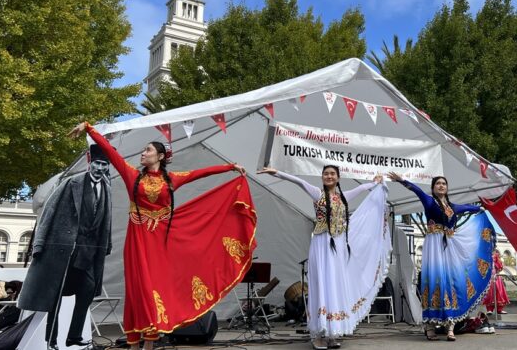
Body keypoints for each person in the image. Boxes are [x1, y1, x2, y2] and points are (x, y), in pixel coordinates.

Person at [69, 122, 254, 350]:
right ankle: (136, 344)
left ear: (160, 156)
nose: (143, 153)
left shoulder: (171, 179)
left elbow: (199, 173)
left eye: (147, 150)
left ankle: (148, 344)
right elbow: (110, 151)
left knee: (155, 289)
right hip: (137, 241)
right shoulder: (132, 175)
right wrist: (89, 129)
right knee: (139, 290)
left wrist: (230, 167)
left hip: (161, 242)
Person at [257, 166, 390, 350]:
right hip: (321, 244)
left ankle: (332, 332)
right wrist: (277, 173)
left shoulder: (345, 196)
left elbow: (364, 188)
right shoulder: (317, 193)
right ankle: (318, 333)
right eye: (326, 174)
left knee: (335, 284)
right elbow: (299, 182)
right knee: (322, 284)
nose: (329, 176)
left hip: (339, 246)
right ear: (322, 177)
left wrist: (377, 182)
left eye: (332, 174)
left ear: (338, 177)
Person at [18, 145, 114, 349]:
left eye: (104, 164)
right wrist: (39, 243)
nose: (100, 168)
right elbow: (49, 212)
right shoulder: (72, 183)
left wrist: (107, 244)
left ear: (108, 167)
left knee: (88, 288)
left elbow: (106, 219)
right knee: (57, 293)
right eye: (97, 163)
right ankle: (51, 338)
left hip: (88, 251)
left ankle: (74, 336)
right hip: (63, 248)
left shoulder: (106, 188)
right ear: (90, 162)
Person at [388, 172, 494, 342]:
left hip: (449, 246)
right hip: (433, 245)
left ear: (447, 187)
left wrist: (481, 208)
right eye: (438, 183)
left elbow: (468, 207)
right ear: (433, 187)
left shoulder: (452, 207)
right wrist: (402, 180)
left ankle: (450, 327)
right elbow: (416, 190)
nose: (441, 186)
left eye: (444, 183)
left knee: (451, 280)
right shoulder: (429, 201)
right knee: (433, 280)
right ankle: (429, 327)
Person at [483, 249, 510, 315]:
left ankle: (499, 309)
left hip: (497, 278)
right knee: (489, 294)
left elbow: (500, 268)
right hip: (489, 279)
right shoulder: (486, 258)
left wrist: (497, 259)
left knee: (499, 293)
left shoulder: (497, 259)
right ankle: (489, 309)